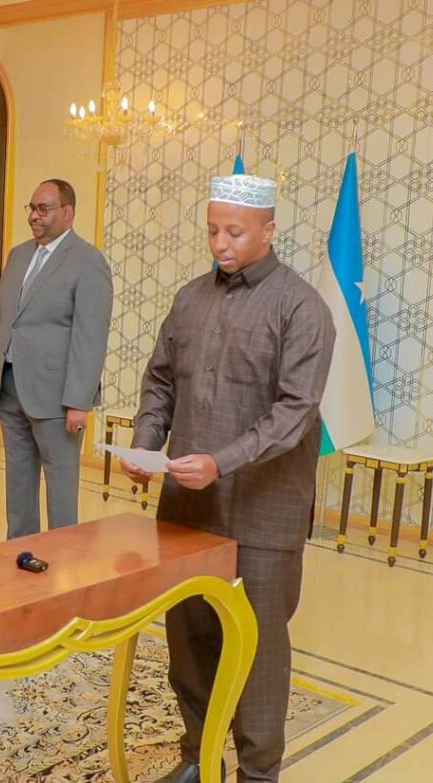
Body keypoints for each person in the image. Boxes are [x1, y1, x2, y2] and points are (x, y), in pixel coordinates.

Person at [122, 174, 336, 783]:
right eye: (213, 230)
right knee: (189, 642)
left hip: (263, 514)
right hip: (188, 510)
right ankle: (199, 756)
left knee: (257, 651)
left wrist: (221, 461)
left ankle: (258, 773)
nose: (221, 243)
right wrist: (145, 444)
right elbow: (160, 382)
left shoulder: (301, 307)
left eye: (235, 232)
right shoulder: (190, 298)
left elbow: (295, 413)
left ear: (268, 231)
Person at [0, 179, 113, 539]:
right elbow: (2, 319)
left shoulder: (89, 262)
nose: (34, 216)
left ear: (67, 213)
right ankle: (20, 550)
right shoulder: (18, 255)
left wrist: (79, 402)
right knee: (18, 477)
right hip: (10, 387)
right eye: (32, 208)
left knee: (60, 482)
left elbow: (90, 338)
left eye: (44, 209)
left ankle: (64, 555)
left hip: (57, 396)